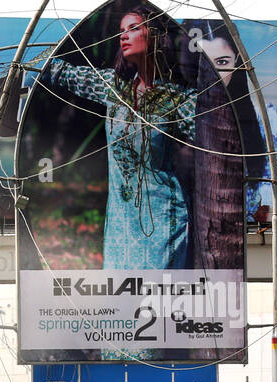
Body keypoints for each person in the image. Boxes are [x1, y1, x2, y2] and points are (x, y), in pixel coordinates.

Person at [40, 7, 196, 270]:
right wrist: (29, 54)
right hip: (120, 225)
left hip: (163, 219)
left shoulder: (179, 99)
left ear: (156, 36)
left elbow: (215, 138)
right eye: (121, 31)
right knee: (118, 303)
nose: (123, 36)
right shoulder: (113, 87)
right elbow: (57, 71)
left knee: (156, 305)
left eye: (133, 29)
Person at [196, 24, 277, 222]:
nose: (215, 74)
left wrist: (276, 226)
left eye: (222, 62)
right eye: (208, 64)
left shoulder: (261, 115)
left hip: (242, 237)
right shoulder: (181, 113)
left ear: (236, 62)